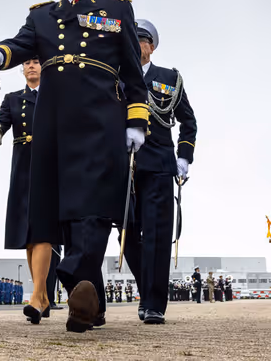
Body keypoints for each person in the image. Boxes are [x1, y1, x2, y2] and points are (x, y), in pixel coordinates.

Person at [0, 0, 148, 333]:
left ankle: (72, 278)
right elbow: (21, 44)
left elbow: (132, 72)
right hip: (53, 124)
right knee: (66, 215)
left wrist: (136, 120)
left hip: (101, 120)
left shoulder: (115, 9)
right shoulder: (41, 16)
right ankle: (90, 305)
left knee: (94, 208)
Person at [120, 19, 197, 325]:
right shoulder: (114, 74)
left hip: (159, 165)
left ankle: (154, 304)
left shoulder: (169, 78)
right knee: (126, 234)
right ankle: (145, 290)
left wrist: (184, 157)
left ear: (151, 46)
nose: (136, 44)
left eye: (141, 39)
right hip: (122, 165)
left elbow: (188, 121)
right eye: (132, 39)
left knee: (157, 234)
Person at [0, 56, 53, 323]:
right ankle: (42, 298)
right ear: (22, 69)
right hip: (21, 167)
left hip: (49, 164)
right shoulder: (11, 99)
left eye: (36, 61)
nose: (31, 66)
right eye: (27, 63)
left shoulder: (55, 95)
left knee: (42, 230)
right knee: (28, 235)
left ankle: (36, 297)